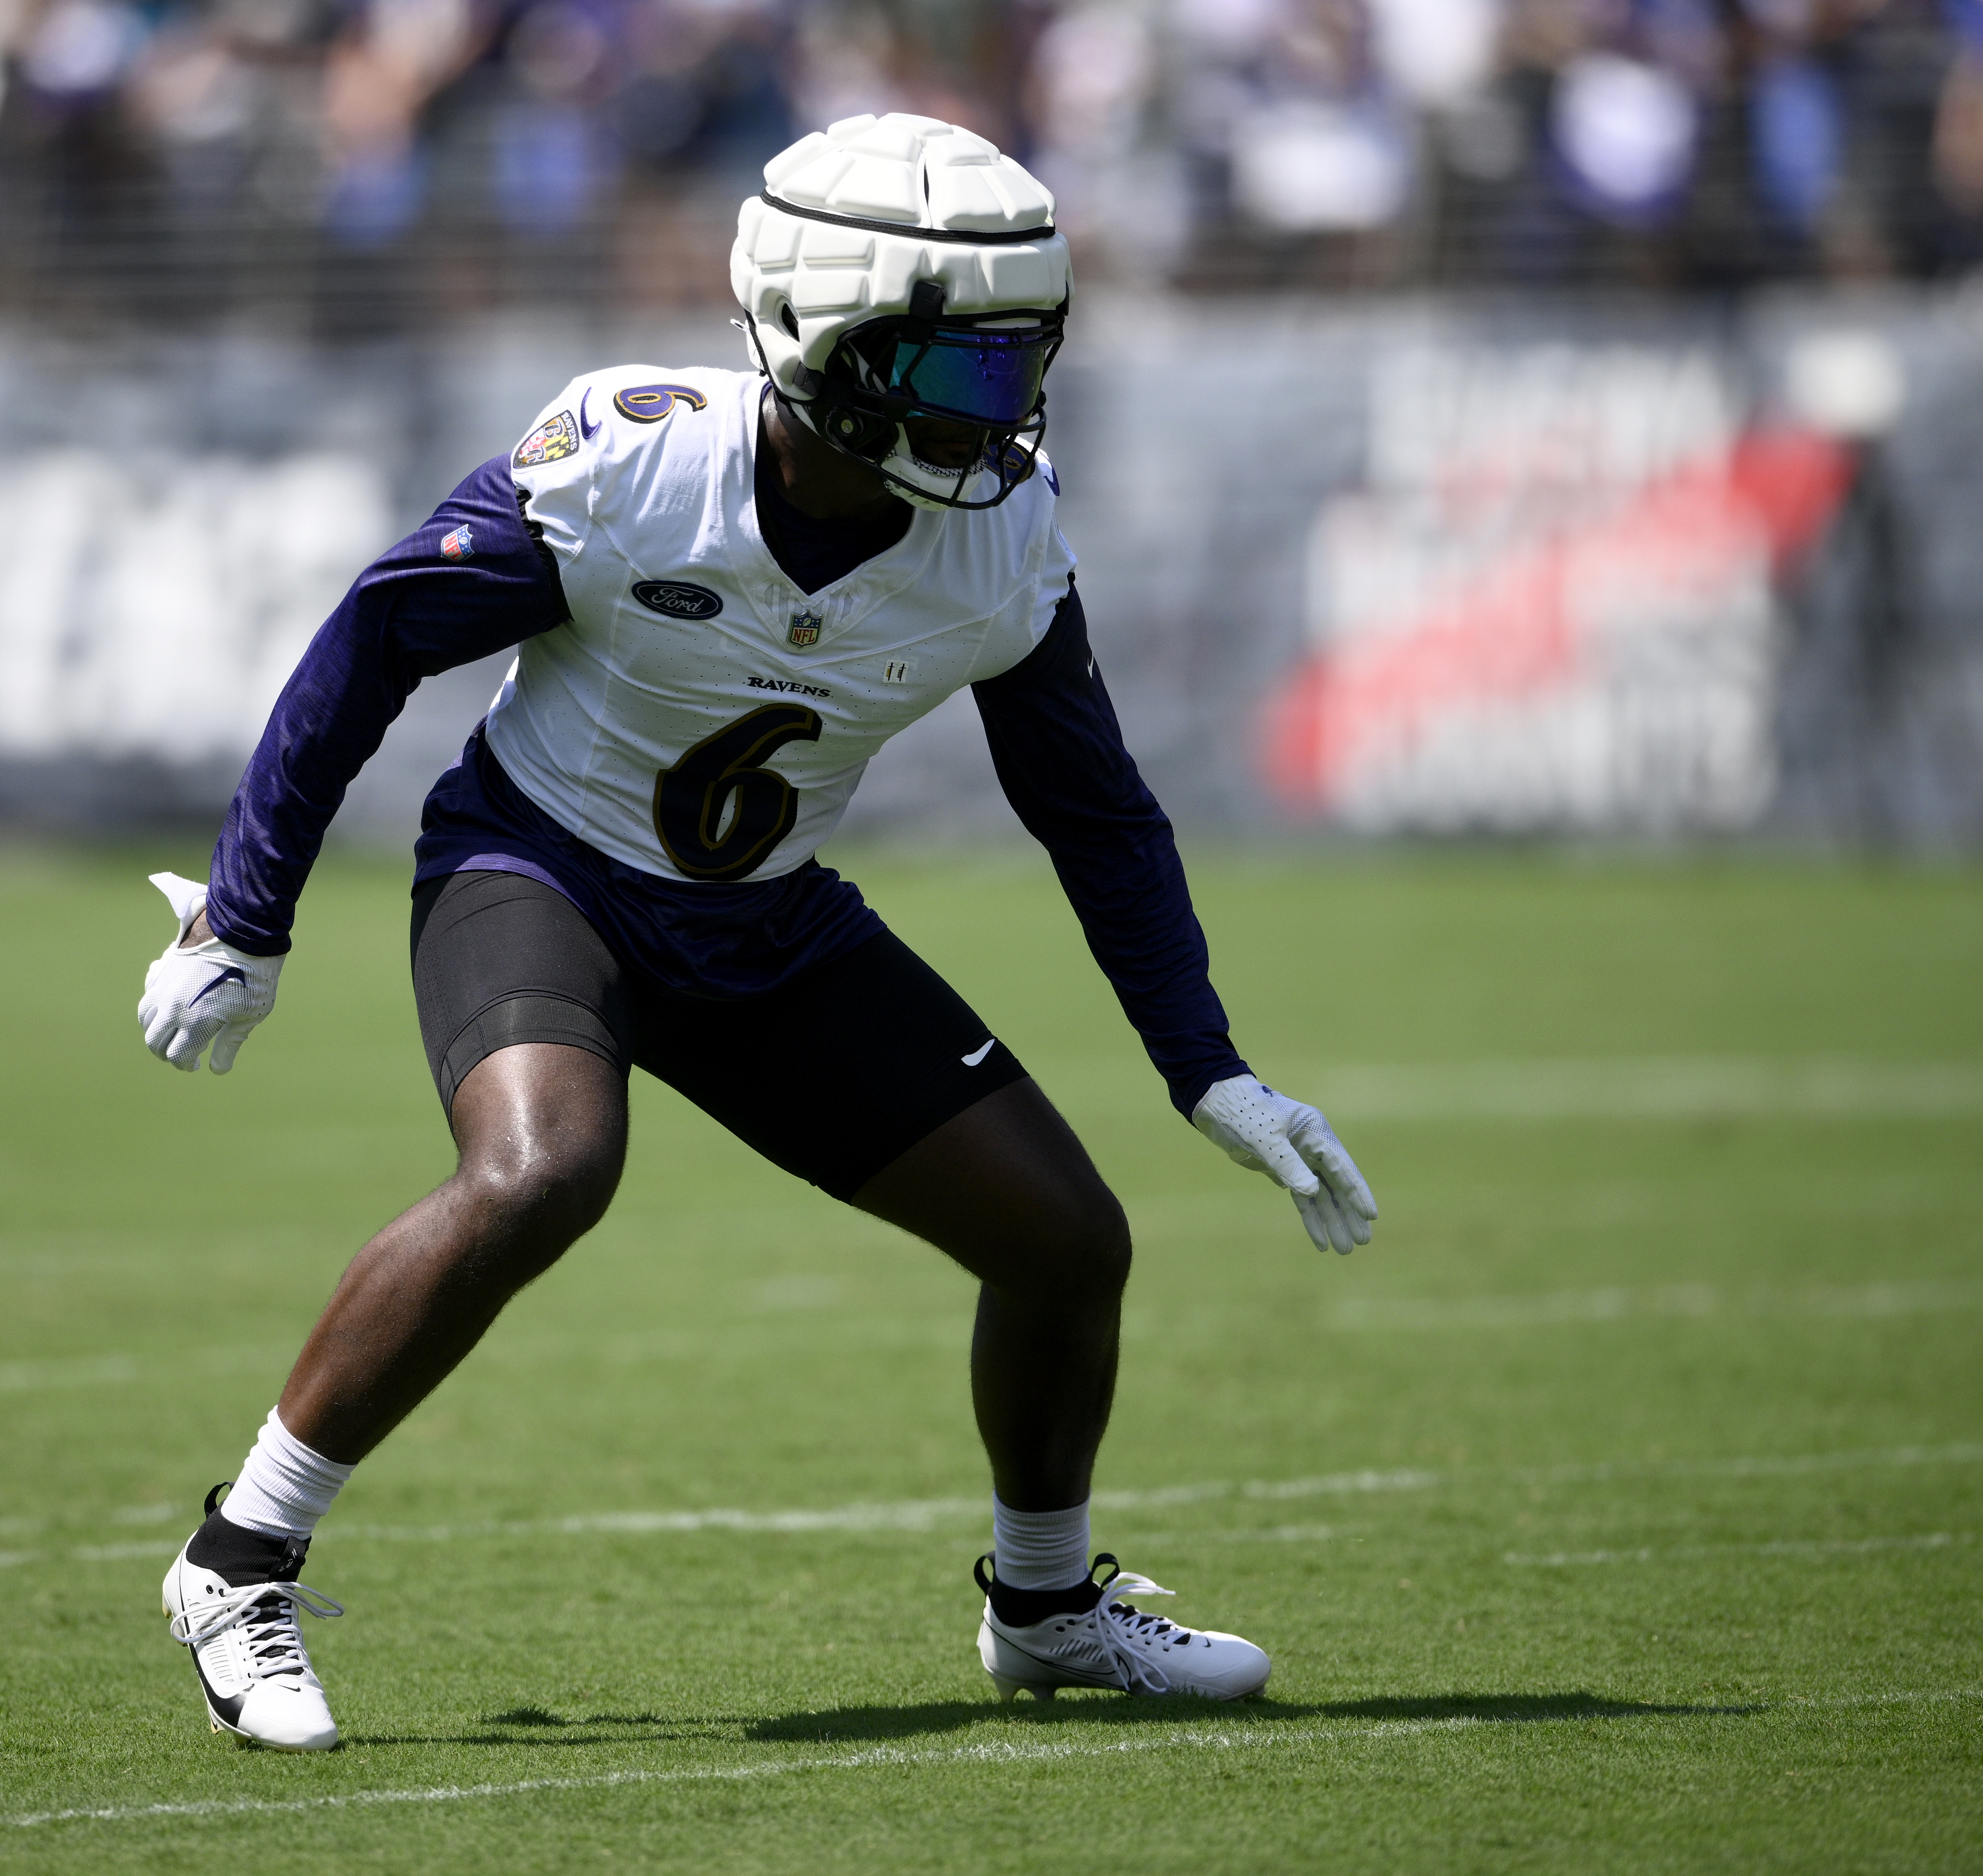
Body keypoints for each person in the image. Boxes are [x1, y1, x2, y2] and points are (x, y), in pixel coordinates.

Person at [136, 111, 1379, 1753]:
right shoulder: (631, 464)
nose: (998, 414)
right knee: (542, 1171)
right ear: (826, 345)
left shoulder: (999, 531)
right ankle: (237, 1561)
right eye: (960, 372)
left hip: (765, 923)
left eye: (1019, 368)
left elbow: (1094, 807)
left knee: (1068, 1239)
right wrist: (248, 913)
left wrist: (1204, 1067)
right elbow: (371, 644)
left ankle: (1047, 1603)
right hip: (542, 873)